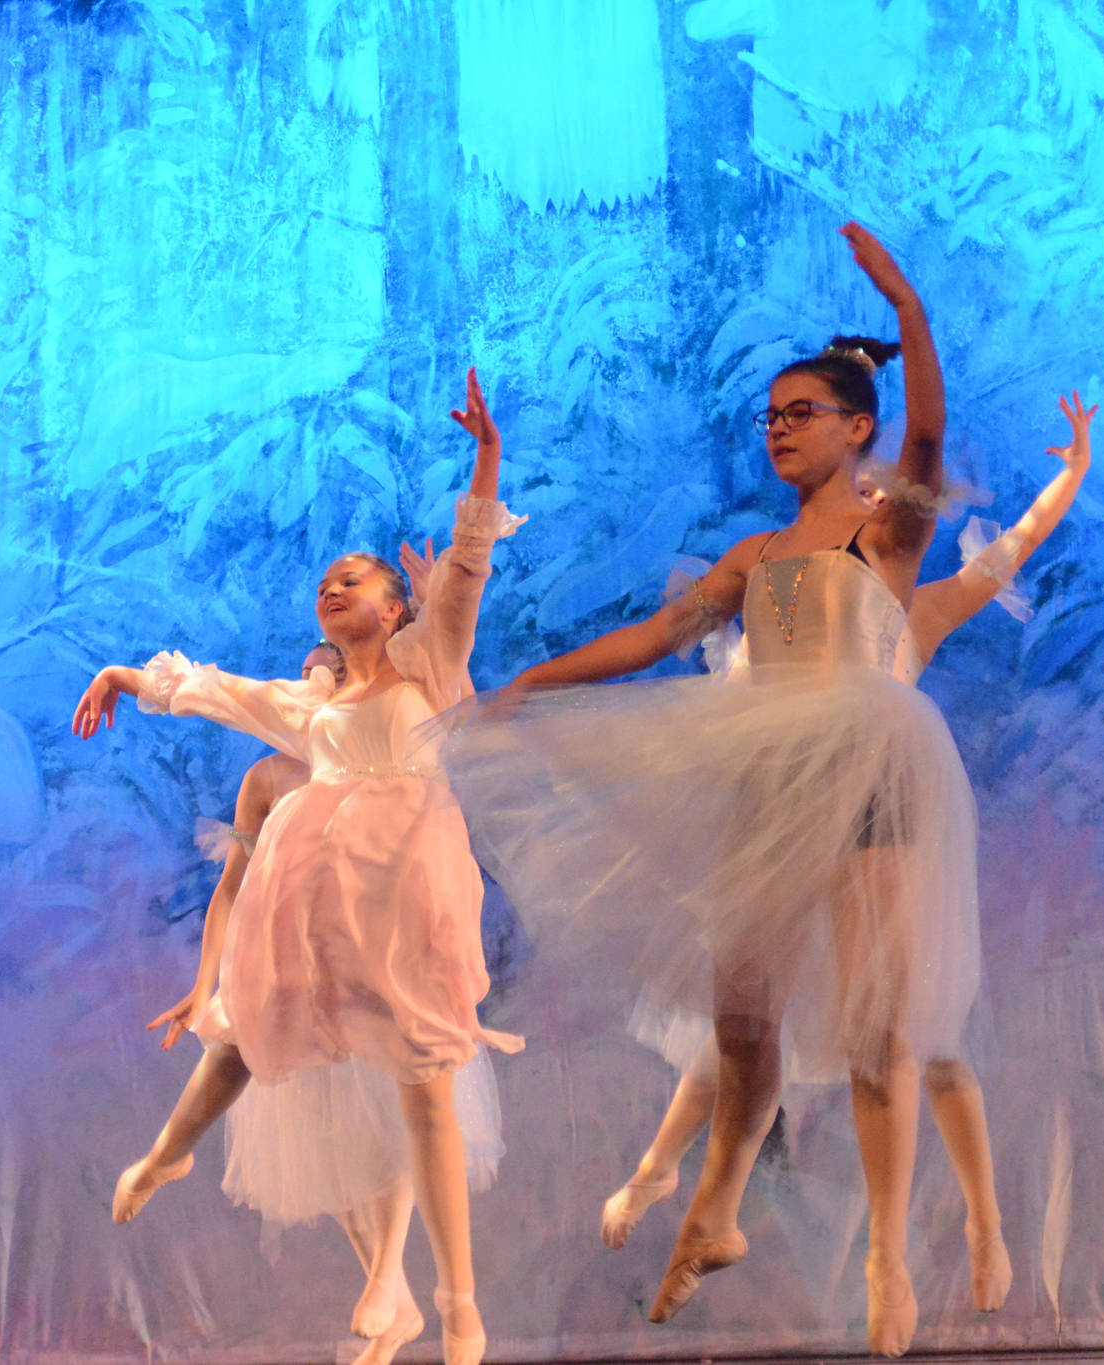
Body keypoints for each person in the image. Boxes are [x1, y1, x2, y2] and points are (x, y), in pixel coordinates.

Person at [444, 224, 960, 1357]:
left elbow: (927, 430)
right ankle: (716, 1209)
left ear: (853, 427)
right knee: (738, 1014)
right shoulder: (754, 559)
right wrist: (530, 679)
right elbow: (656, 635)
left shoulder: (884, 528)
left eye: (799, 413)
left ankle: (883, 1251)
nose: (777, 430)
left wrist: (906, 312)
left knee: (876, 1024)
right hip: (767, 774)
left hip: (867, 766)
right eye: (767, 417)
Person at [599, 393, 1099, 1321]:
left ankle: (981, 1226)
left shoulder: (922, 606)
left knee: (920, 1042)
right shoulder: (776, 620)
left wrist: (1069, 474)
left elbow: (1010, 548)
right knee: (737, 1026)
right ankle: (661, 1179)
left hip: (881, 817)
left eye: (878, 495)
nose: (865, 507)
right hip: (789, 819)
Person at [72, 369, 522, 1365]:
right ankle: (182, 1159)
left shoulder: (429, 666)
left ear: (399, 605)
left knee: (422, 1083)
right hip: (314, 911)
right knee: (260, 1042)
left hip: (403, 883)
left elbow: (472, 561)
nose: (332, 587)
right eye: (323, 582)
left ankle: (454, 1303)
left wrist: (485, 457)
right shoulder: (309, 709)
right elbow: (216, 691)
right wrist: (124, 675)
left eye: (353, 577)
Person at [153, 641, 500, 1365]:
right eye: (314, 670)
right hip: (305, 982)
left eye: (338, 671)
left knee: (402, 1116)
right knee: (325, 1147)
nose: (325, 679)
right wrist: (205, 982)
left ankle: (389, 1278)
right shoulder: (274, 775)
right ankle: (393, 1295)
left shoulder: (390, 745)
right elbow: (233, 890)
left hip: (385, 970)